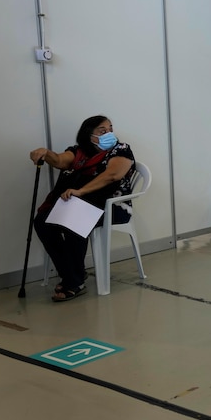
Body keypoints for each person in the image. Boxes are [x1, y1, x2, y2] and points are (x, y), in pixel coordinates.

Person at [30, 115, 135, 302]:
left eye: (110, 129)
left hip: (112, 206)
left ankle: (74, 281)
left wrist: (81, 191)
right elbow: (61, 161)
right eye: (102, 131)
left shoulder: (121, 149)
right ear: (89, 135)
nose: (109, 133)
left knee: (73, 223)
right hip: (80, 203)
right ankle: (72, 274)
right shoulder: (79, 152)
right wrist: (45, 153)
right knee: (42, 222)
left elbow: (113, 174)